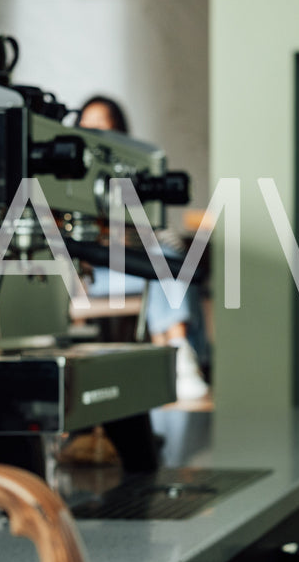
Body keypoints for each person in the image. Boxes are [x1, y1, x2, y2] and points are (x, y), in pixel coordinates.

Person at [75, 95, 210, 402]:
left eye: (101, 125)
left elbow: (167, 242)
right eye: (86, 124)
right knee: (167, 271)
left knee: (168, 266)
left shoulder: (133, 174)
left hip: (137, 265)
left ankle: (175, 355)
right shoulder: (68, 176)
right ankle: (182, 359)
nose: (92, 131)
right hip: (93, 274)